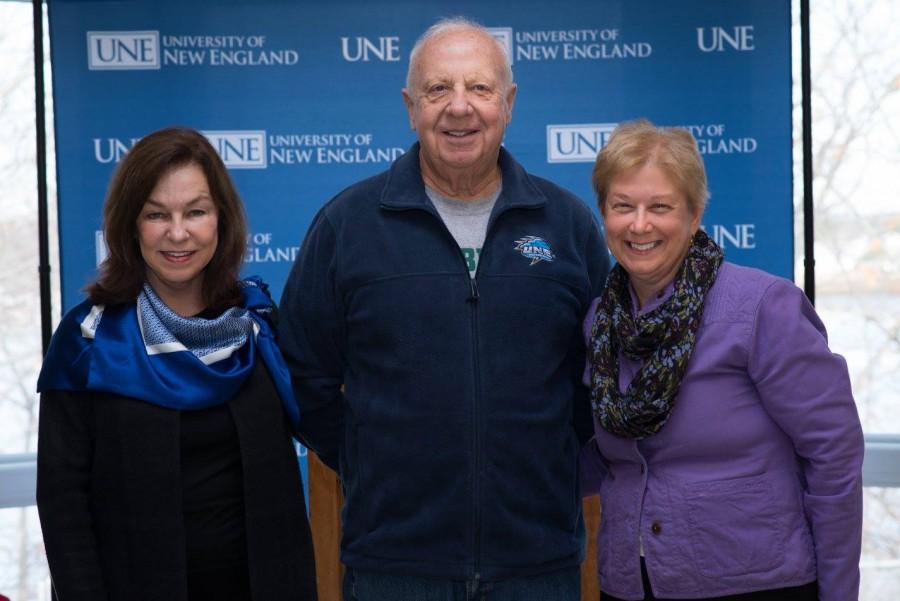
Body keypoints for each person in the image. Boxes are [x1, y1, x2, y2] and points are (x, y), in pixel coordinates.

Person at [278, 16, 610, 601]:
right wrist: (366, 460)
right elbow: (302, 373)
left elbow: (600, 373)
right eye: (438, 90)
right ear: (411, 107)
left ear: (509, 103)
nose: (460, 108)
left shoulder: (567, 224)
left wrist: (552, 461)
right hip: (393, 566)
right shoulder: (347, 226)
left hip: (538, 565)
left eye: (480, 89)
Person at [581, 119, 864, 601]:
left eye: (661, 207)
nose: (640, 224)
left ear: (694, 215)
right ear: (604, 214)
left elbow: (834, 453)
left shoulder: (762, 307)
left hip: (756, 583)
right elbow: (601, 459)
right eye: (622, 206)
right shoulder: (599, 322)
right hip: (630, 583)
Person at [36, 127, 317, 601]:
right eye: (156, 214)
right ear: (129, 225)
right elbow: (63, 503)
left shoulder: (259, 327)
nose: (178, 232)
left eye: (196, 212)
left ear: (220, 221)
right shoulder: (89, 340)